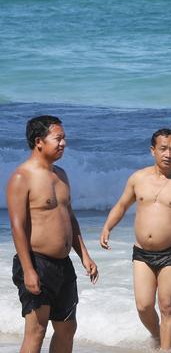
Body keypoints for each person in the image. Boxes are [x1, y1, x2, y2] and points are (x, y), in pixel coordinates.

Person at [99, 128, 171, 350]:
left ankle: (166, 349)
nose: (168, 154)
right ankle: (158, 336)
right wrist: (107, 227)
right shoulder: (138, 178)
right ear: (153, 150)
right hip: (142, 253)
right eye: (163, 149)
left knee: (167, 305)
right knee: (144, 306)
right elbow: (121, 205)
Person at [7, 115, 99, 353]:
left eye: (64, 138)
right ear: (39, 141)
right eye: (58, 138)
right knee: (36, 330)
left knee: (67, 328)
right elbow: (17, 227)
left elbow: (70, 218)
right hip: (37, 262)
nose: (63, 143)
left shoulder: (61, 175)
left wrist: (85, 256)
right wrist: (28, 270)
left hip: (63, 265)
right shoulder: (21, 177)